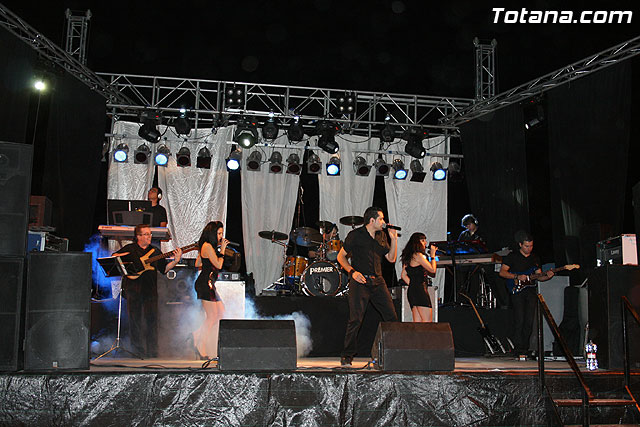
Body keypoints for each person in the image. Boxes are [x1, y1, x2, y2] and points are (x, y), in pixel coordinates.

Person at [336, 206, 399, 367]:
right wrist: (352, 272)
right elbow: (340, 257)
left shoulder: (381, 236)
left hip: (378, 281)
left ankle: (394, 352)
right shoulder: (355, 235)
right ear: (372, 220)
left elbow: (391, 259)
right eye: (381, 219)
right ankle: (347, 355)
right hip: (360, 281)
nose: (384, 222)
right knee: (355, 319)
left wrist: (394, 239)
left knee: (391, 317)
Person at [113, 224, 182, 358]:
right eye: (146, 234)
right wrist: (128, 258)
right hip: (133, 289)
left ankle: (152, 351)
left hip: (150, 290)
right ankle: (137, 351)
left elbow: (164, 269)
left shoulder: (155, 251)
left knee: (152, 320)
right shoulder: (131, 248)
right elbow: (115, 256)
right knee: (135, 321)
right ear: (138, 236)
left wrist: (176, 260)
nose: (149, 236)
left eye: (150, 234)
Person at [498, 230, 554, 358]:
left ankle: (525, 348)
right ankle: (517, 348)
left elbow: (539, 276)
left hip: (530, 291)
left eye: (531, 246)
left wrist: (548, 276)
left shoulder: (535, 258)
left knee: (529, 321)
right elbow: (502, 272)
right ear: (520, 245)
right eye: (526, 246)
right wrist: (517, 276)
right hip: (517, 291)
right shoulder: (512, 256)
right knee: (519, 319)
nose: (529, 248)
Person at [191, 221, 228, 359]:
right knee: (212, 316)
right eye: (219, 233)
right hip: (205, 283)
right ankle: (200, 345)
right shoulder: (207, 246)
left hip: (209, 283)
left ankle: (196, 334)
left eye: (222, 233)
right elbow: (218, 264)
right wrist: (222, 250)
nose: (221, 236)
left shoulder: (207, 247)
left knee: (220, 312)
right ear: (212, 233)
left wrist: (205, 254)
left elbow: (198, 263)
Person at [400, 233, 437, 322]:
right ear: (417, 242)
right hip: (420, 290)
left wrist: (413, 285)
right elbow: (432, 270)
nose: (425, 243)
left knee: (418, 324)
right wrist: (432, 256)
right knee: (427, 322)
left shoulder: (409, 256)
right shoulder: (418, 255)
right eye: (423, 240)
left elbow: (403, 275)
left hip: (412, 291)